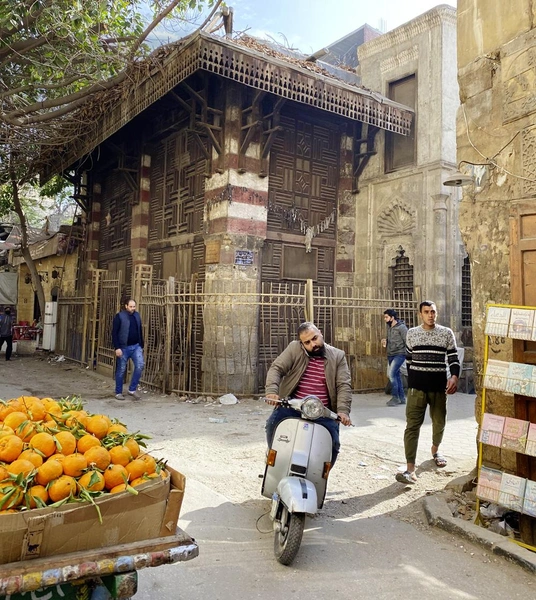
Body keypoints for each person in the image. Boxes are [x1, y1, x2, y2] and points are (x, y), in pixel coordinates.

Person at [264, 322, 352, 465]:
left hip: (322, 412)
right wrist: (272, 391)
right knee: (272, 426)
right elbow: (277, 368)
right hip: (293, 407)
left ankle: (320, 478)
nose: (313, 344)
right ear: (302, 343)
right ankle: (275, 461)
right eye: (307, 342)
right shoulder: (294, 349)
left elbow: (343, 385)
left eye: (315, 338)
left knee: (333, 446)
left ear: (321, 333)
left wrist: (343, 411)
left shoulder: (338, 356)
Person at [396, 300, 459, 485]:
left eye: (433, 312)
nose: (430, 315)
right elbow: (408, 360)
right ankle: (410, 469)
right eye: (426, 312)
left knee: (439, 421)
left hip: (439, 388)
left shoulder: (446, 333)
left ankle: (435, 449)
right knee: (412, 426)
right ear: (420, 314)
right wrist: (416, 379)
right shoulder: (412, 334)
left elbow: (453, 358)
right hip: (416, 390)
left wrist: (454, 377)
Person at [112, 298, 145, 401]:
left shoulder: (137, 315)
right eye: (130, 306)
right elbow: (114, 333)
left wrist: (141, 344)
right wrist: (117, 347)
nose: (132, 308)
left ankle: (132, 389)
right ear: (126, 306)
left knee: (140, 365)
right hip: (123, 347)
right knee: (121, 370)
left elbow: (140, 330)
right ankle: (118, 392)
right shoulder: (120, 316)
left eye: (134, 306)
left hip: (136, 346)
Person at [381, 309, 408, 406]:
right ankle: (402, 398)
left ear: (392, 317)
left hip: (400, 354)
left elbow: (407, 341)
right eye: (384, 317)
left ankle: (395, 397)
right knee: (396, 375)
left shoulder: (402, 328)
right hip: (390, 354)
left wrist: (408, 354)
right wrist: (385, 342)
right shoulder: (389, 327)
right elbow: (390, 340)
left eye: (386, 317)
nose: (385, 319)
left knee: (391, 374)